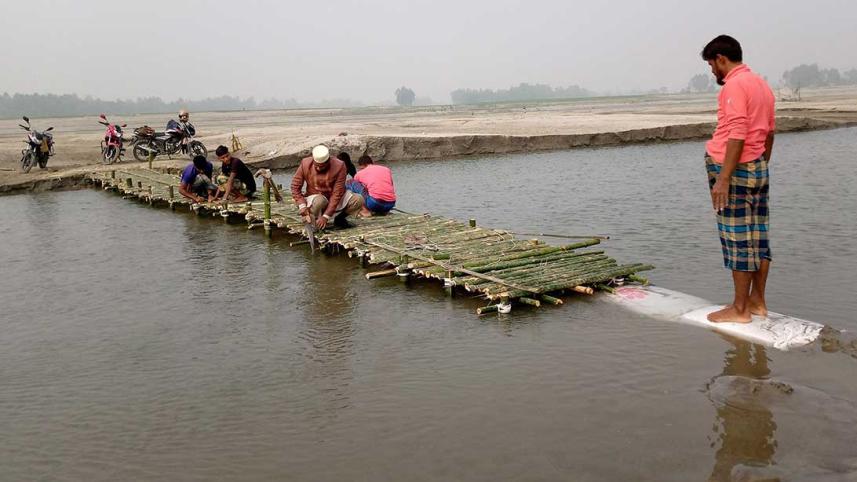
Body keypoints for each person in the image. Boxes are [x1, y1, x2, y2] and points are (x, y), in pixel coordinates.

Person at [701, 35, 776, 323]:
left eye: (711, 65)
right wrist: (760, 165)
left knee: (737, 239)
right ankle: (757, 302)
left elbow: (737, 133)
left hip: (732, 169)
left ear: (721, 58)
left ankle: (740, 309)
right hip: (756, 167)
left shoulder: (734, 85)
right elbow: (769, 133)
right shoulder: (762, 84)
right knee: (758, 237)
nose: (712, 72)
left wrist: (724, 178)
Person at [291, 145, 364, 230]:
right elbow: (295, 186)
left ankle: (339, 219)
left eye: (322, 166)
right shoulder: (305, 163)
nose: (318, 168)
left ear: (328, 161)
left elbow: (337, 193)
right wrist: (302, 205)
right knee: (319, 201)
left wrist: (326, 216)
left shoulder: (339, 166)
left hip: (333, 196)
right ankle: (313, 219)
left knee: (358, 199)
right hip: (315, 198)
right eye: (316, 165)